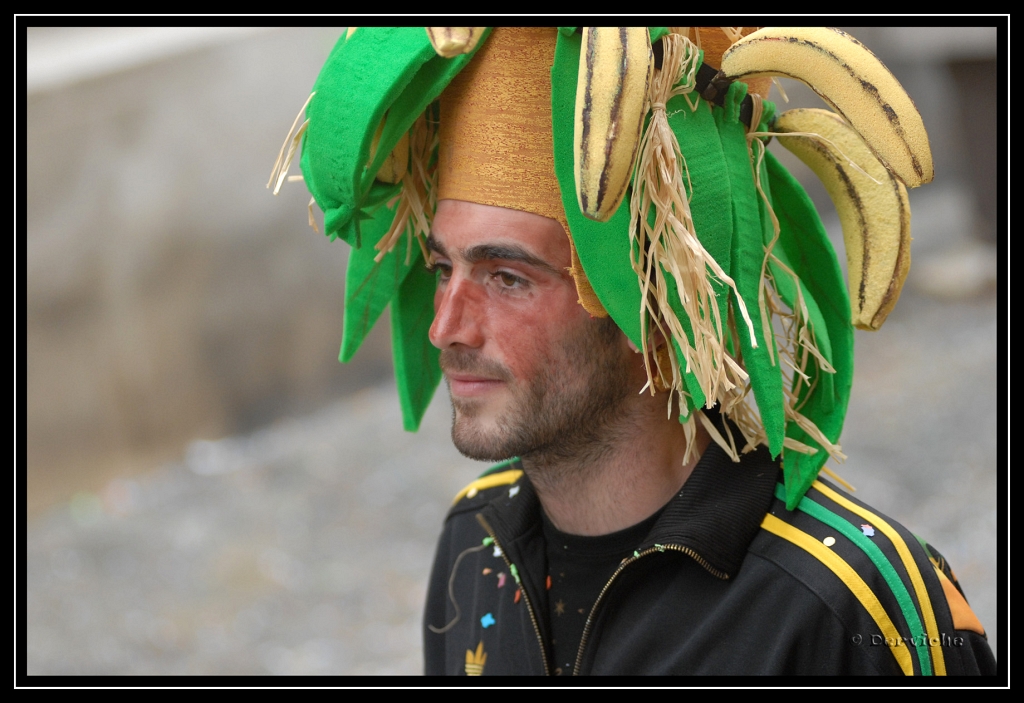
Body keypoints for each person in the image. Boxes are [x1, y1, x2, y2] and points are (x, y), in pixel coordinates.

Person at [273, 26, 996, 676]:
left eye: (506, 277)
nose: (447, 327)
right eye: (442, 269)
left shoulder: (847, 605)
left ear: (647, 301)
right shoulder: (475, 544)